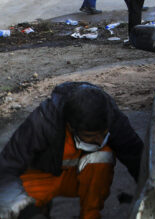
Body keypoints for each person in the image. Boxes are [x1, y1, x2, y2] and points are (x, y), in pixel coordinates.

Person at [0, 83, 143, 219]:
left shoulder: (113, 118)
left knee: (103, 156)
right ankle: (38, 208)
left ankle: (90, 216)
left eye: (103, 133)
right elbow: (7, 166)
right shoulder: (42, 122)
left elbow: (137, 158)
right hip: (43, 177)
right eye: (89, 136)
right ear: (70, 126)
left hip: (78, 178)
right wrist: (26, 210)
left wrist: (151, 194)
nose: (99, 141)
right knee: (8, 204)